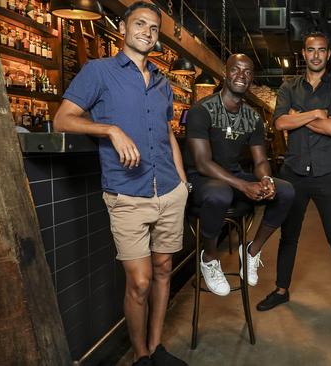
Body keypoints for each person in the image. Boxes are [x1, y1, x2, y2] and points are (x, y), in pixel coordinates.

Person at [53, 2, 188, 365]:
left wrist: (184, 184)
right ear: (124, 28)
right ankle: (140, 355)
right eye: (140, 23)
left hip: (170, 189)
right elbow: (62, 120)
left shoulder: (162, 83)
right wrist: (110, 129)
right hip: (127, 192)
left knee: (163, 271)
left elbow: (168, 134)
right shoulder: (99, 72)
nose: (147, 31)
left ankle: (156, 348)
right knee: (140, 281)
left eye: (154, 27)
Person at [255, 31, 331, 323]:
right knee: (289, 236)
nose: (316, 55)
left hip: (327, 173)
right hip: (294, 172)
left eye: (321, 50)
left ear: (328, 54)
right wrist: (315, 114)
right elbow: (279, 122)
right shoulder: (288, 86)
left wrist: (299, 117)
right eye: (311, 50)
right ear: (303, 53)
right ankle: (282, 289)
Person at [184, 54, 295, 295]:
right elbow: (202, 163)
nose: (241, 76)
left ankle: (252, 251)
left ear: (252, 78)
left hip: (232, 176)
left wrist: (265, 179)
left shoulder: (253, 118)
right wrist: (244, 186)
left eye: (247, 72)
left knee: (285, 189)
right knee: (220, 194)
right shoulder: (201, 110)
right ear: (225, 73)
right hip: (200, 179)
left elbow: (260, 160)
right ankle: (210, 257)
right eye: (236, 70)